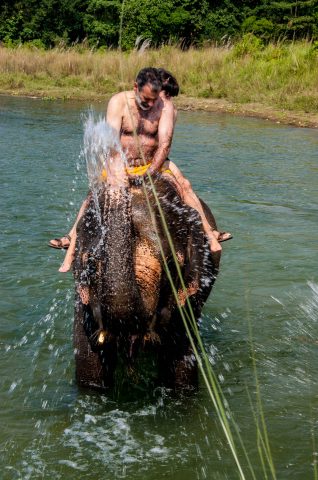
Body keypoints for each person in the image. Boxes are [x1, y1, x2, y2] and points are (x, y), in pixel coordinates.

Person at [49, 67, 230, 272]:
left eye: (154, 100)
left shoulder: (165, 107)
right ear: (135, 88)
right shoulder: (118, 102)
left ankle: (209, 233)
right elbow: (111, 143)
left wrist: (150, 172)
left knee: (184, 186)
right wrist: (119, 171)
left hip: (154, 163)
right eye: (146, 100)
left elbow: (164, 144)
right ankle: (72, 239)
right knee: (94, 194)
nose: (150, 105)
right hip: (120, 163)